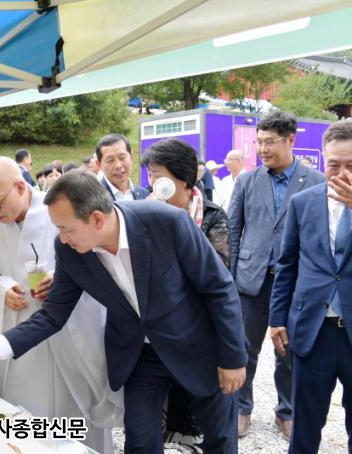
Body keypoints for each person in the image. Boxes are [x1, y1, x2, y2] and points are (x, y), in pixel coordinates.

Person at [0, 171, 248, 454]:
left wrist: (233, 358)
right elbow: (52, 315)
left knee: (219, 438)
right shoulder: (69, 250)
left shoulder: (166, 222)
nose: (62, 238)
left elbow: (219, 288)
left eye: (66, 229)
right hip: (140, 355)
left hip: (198, 345)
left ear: (96, 218)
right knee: (140, 440)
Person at [0, 158, 121, 453]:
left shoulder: (57, 212)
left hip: (70, 332)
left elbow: (98, 255)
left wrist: (63, 277)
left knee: (74, 418)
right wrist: (0, 290)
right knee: (28, 417)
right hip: (20, 334)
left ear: (20, 187)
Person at [228, 110, 326, 439]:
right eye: (259, 142)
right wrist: (230, 279)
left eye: (270, 142)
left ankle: (287, 411)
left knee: (289, 352)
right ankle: (241, 408)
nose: (263, 149)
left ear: (291, 140)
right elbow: (233, 231)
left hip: (295, 283)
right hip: (251, 281)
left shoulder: (315, 181)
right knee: (245, 349)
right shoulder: (246, 181)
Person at [269, 119, 352, 453]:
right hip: (313, 331)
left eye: (351, 165)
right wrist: (277, 318)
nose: (342, 173)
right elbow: (287, 264)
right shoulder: (303, 202)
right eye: (334, 164)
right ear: (322, 159)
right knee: (305, 424)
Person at [144, 139, 232, 450]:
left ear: (183, 177)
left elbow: (220, 270)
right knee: (146, 425)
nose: (152, 182)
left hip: (199, 332)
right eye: (150, 175)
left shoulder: (213, 216)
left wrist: (179, 224)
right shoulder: (143, 211)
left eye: (158, 175)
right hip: (157, 332)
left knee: (212, 424)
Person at [96, 134, 149, 201]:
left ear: (131, 157)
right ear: (99, 164)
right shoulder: (92, 197)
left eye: (122, 158)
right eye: (110, 160)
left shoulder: (145, 195)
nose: (118, 165)